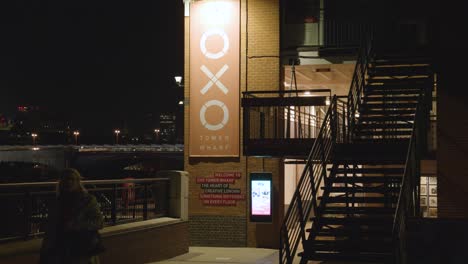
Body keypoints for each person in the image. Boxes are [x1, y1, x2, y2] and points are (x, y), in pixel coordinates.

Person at [40, 168, 105, 264]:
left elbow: (99, 222)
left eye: (72, 179)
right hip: (60, 248)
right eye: (66, 179)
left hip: (81, 248)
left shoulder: (88, 200)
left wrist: (76, 225)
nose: (69, 182)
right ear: (61, 182)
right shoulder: (57, 202)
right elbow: (51, 229)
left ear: (78, 182)